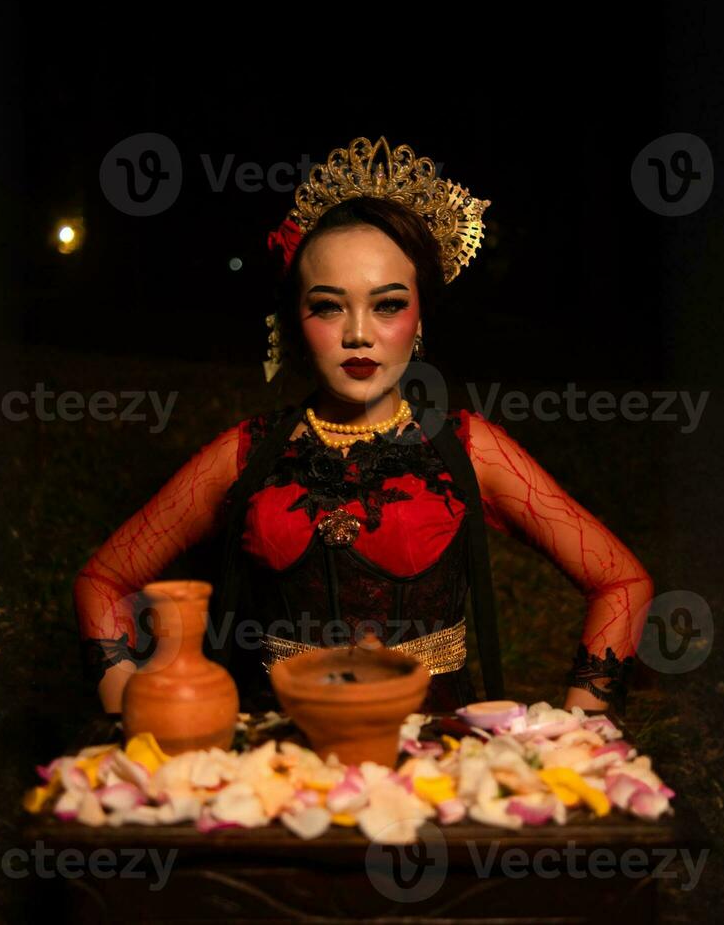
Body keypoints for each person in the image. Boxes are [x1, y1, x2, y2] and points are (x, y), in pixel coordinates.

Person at [74, 136, 652, 717]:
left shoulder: (470, 450)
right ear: (296, 321)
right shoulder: (245, 453)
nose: (358, 333)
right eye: (328, 306)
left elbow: (621, 583)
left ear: (419, 317)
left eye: (388, 305)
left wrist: (580, 734)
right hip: (280, 771)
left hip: (434, 774)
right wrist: (131, 716)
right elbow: (104, 580)